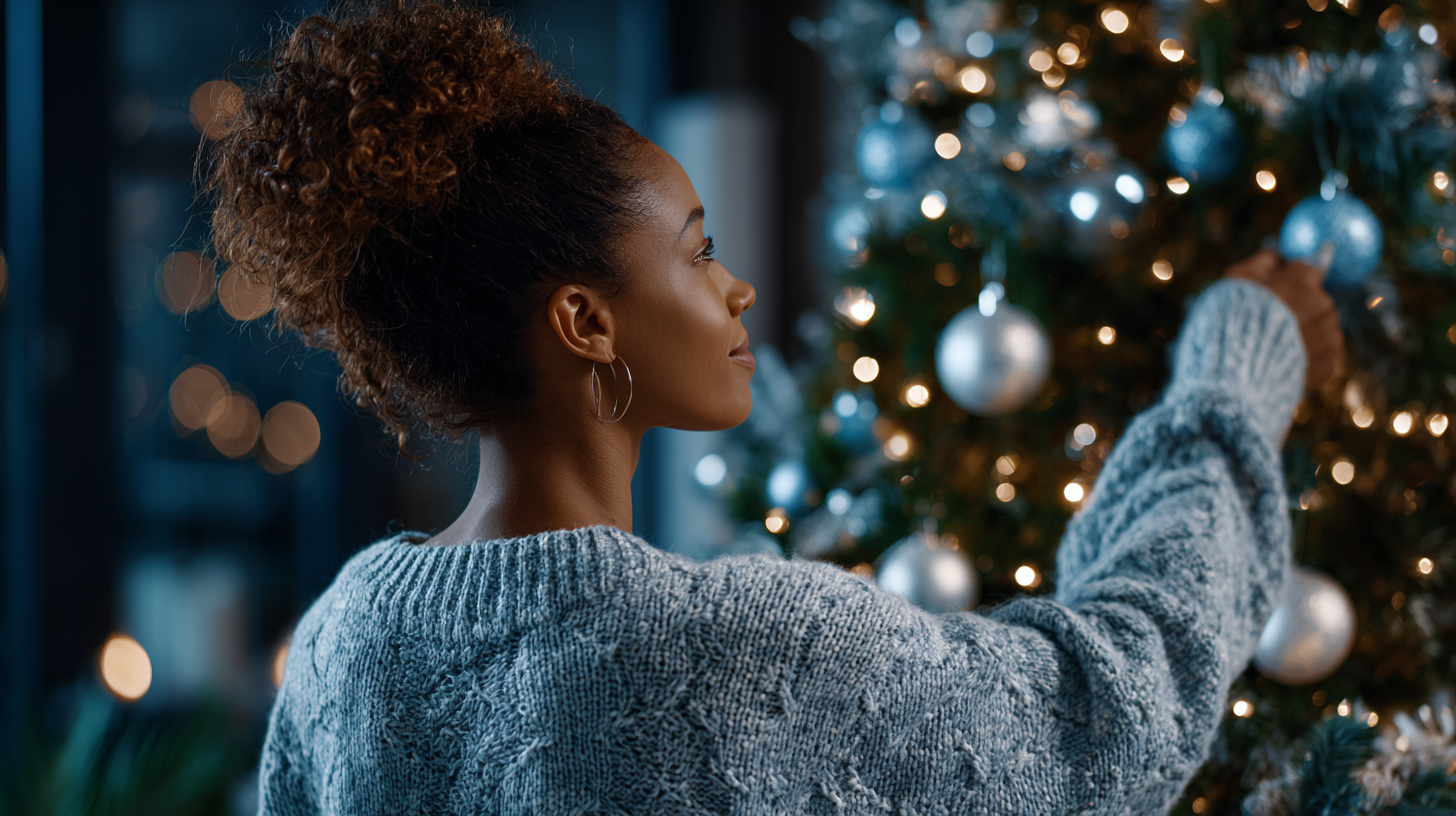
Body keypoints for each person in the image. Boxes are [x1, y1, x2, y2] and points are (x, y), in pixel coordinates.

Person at [208, 2, 1344, 813]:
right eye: (698, 251)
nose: (737, 287)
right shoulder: (747, 649)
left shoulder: (341, 645)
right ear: (585, 323)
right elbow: (1109, 714)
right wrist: (1231, 379)